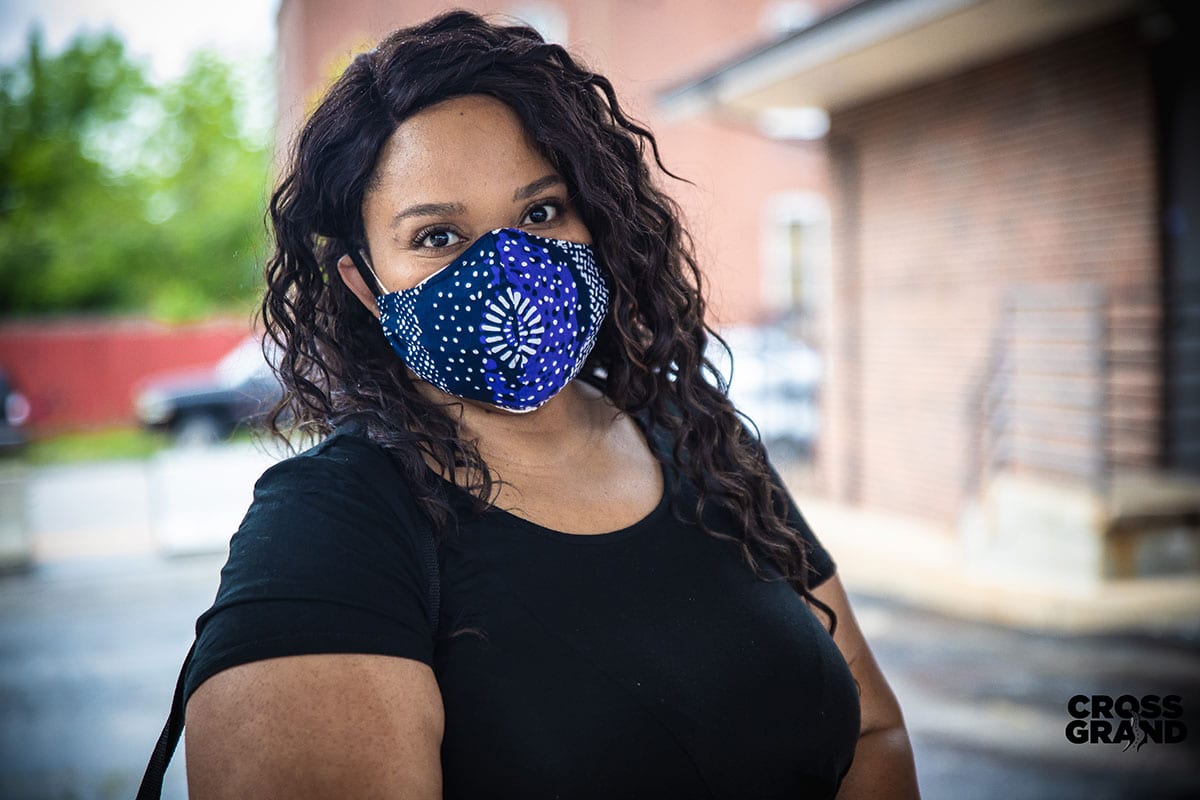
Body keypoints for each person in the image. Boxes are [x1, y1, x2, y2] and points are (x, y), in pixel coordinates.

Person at [181, 10, 919, 799]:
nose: (508, 267)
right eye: (437, 236)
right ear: (366, 286)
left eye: (539, 213)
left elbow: (874, 731)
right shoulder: (331, 529)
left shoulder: (703, 442)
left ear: (592, 222)